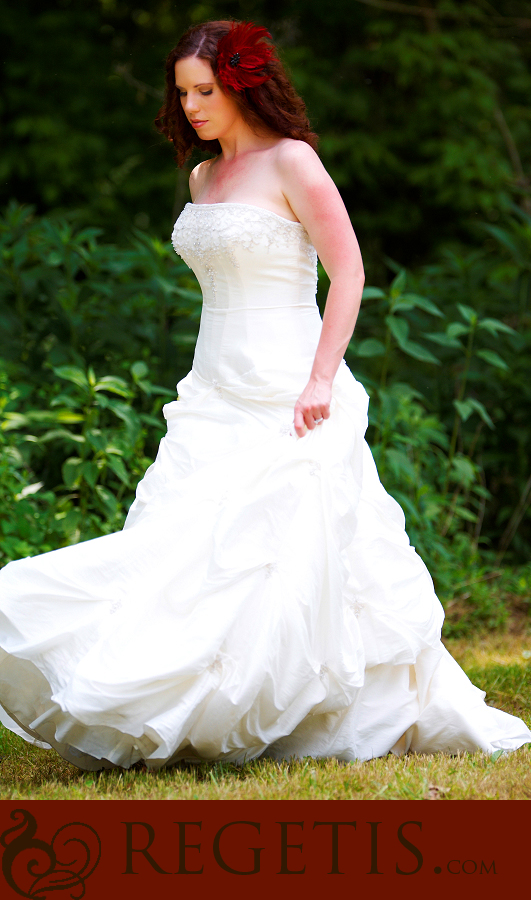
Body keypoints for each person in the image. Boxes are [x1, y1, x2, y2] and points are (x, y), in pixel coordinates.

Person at [0, 20, 529, 771]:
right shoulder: (203, 178)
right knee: (190, 552)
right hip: (213, 387)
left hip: (289, 388)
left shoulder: (294, 163)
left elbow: (347, 273)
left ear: (242, 85)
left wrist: (319, 379)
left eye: (204, 90)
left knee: (284, 551)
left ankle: (302, 705)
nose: (190, 106)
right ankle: (193, 706)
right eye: (181, 93)